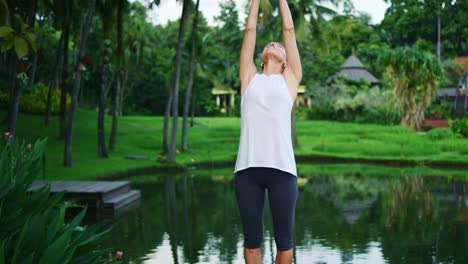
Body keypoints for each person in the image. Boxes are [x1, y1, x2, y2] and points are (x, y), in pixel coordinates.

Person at [233, 0, 302, 263]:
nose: (274, 44)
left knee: (285, 245)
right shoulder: (249, 77)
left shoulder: (290, 79)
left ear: (286, 61)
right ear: (262, 59)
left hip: (283, 171)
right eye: (269, 45)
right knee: (252, 244)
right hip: (247, 171)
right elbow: (249, 30)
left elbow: (289, 30)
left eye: (279, 46)